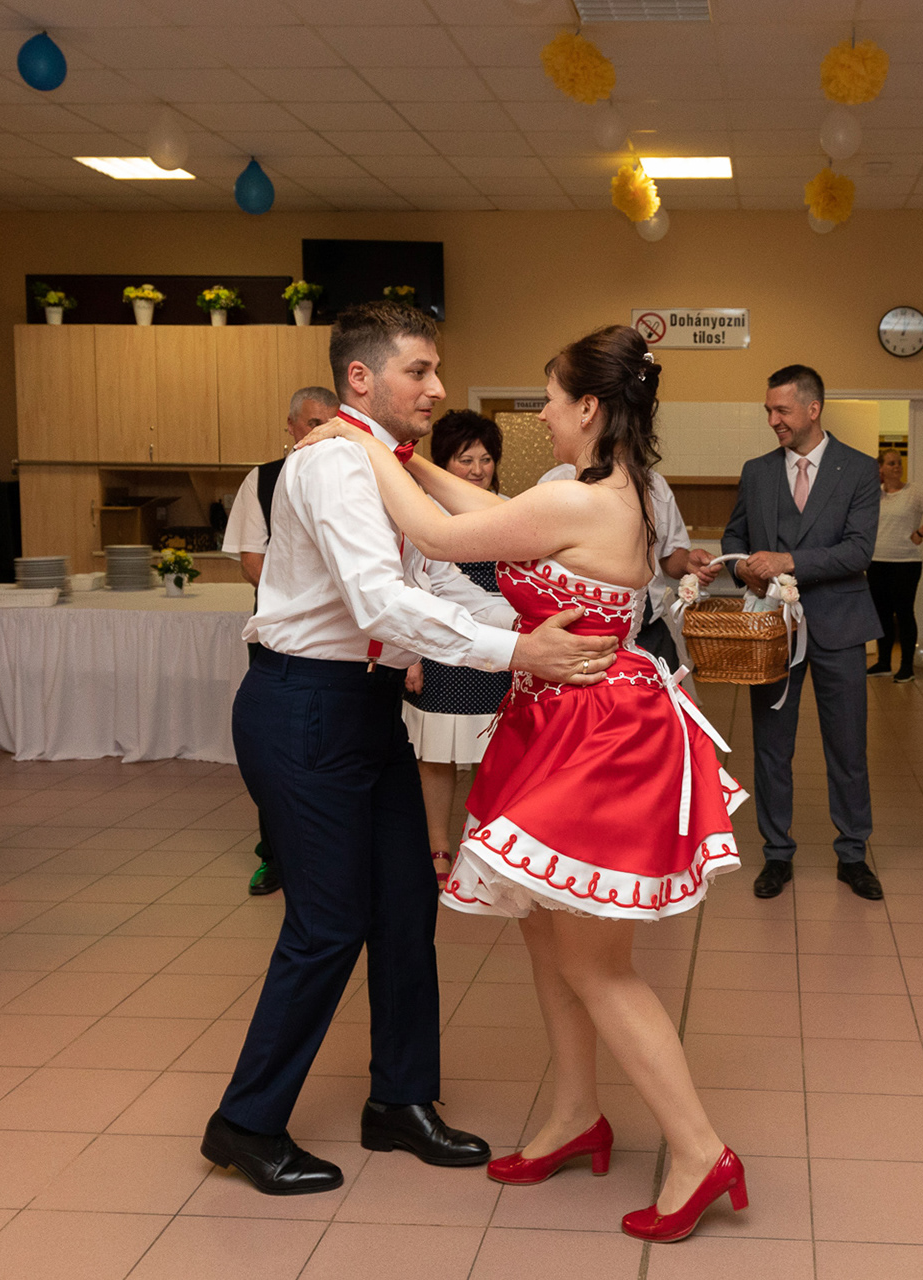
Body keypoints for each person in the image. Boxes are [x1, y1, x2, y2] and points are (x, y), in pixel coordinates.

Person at [299, 323, 752, 1240]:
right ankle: (575, 1114)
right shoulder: (595, 489)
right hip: (560, 719)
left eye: (550, 399)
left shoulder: (587, 502)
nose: (540, 415)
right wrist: (410, 459)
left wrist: (359, 438)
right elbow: (481, 505)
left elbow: (440, 533)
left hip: (597, 734)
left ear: (589, 407)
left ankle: (700, 1151)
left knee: (594, 963)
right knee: (546, 938)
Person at [203, 302, 619, 1199]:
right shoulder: (330, 464)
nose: (437, 388)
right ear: (362, 378)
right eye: (419, 371)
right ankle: (245, 1122)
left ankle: (399, 1100)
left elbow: (430, 579)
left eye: (435, 371)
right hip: (303, 705)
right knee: (327, 926)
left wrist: (540, 623)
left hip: (364, 707)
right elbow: (379, 603)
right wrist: (519, 651)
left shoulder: (383, 464)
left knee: (404, 906)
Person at [722, 365, 885, 902]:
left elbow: (858, 550)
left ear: (813, 409)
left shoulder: (858, 470)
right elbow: (734, 536)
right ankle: (777, 854)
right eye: (768, 410)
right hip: (772, 630)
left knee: (848, 747)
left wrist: (787, 560)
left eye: (782, 410)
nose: (773, 420)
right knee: (771, 746)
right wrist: (742, 566)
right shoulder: (757, 471)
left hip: (841, 625)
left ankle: (853, 854)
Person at [221, 385, 338, 897]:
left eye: (330, 422)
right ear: (290, 427)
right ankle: (274, 856)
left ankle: (332, 855)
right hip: (280, 639)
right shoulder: (264, 479)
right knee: (279, 752)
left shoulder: (358, 473)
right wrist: (311, 598)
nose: (322, 433)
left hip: (344, 644)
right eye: (312, 423)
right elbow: (253, 561)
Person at [399, 410, 514, 885]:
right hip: (441, 644)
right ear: (444, 461)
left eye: (485, 459)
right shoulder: (423, 511)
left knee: (497, 752)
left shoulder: (508, 509)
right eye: (465, 459)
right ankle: (438, 847)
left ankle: (487, 846)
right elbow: (415, 589)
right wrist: (413, 656)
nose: (477, 469)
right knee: (438, 753)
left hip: (503, 645)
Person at [538, 462, 715, 670]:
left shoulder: (653, 483)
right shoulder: (556, 483)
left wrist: (686, 562)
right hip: (585, 638)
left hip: (649, 633)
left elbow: (669, 556)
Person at [867, 447, 923, 682]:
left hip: (906, 562)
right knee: (882, 613)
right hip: (876, 561)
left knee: (903, 613)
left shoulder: (914, 492)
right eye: (891, 463)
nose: (897, 467)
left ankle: (906, 667)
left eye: (898, 463)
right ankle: (883, 663)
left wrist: (921, 532)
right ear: (881, 468)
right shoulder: (874, 494)